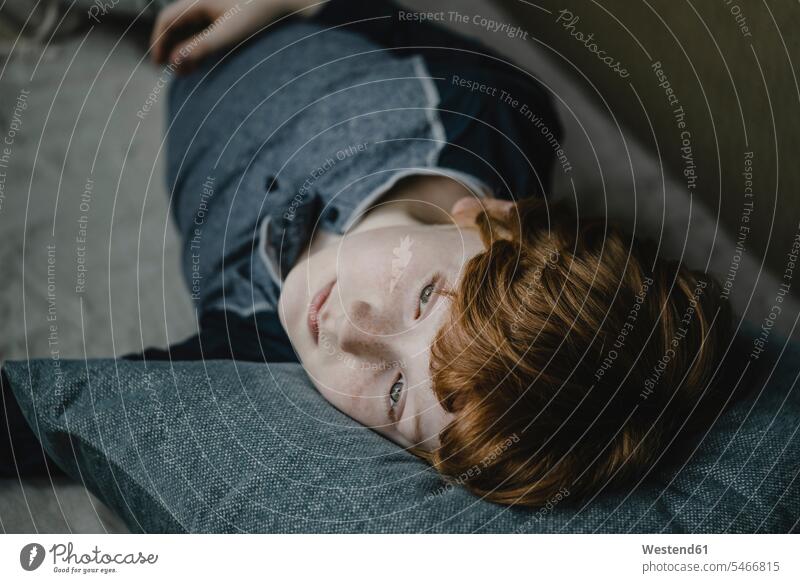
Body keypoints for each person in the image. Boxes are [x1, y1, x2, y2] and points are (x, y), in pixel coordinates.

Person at [2, 0, 735, 508]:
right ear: (491, 220)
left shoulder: (249, 350)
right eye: (423, 297)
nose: (348, 328)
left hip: (180, 75)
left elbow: (65, 415)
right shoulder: (493, 115)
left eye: (393, 395)